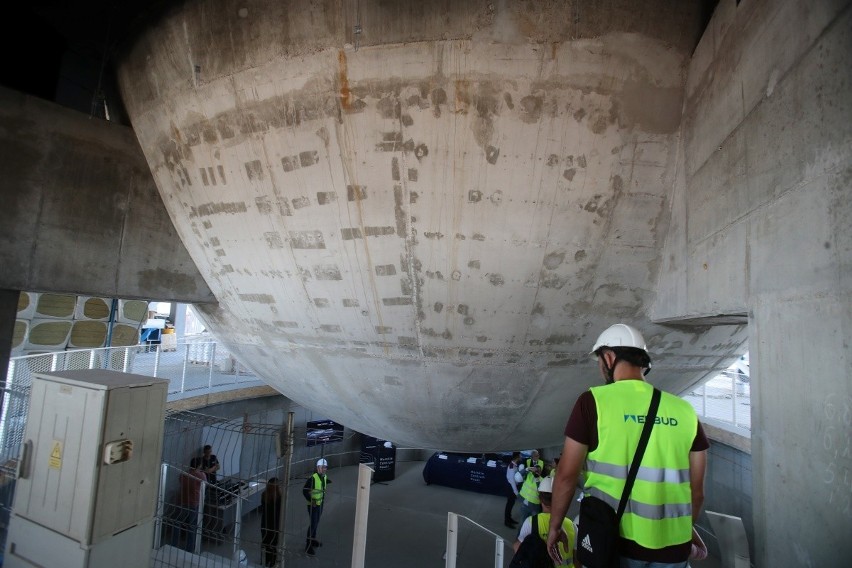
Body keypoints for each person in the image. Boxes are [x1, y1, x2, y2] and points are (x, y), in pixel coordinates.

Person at [546, 323, 709, 567]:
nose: (601, 369)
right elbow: (697, 493)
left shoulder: (593, 402)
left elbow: (567, 476)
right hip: (675, 550)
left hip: (616, 546)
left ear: (609, 357)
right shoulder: (685, 411)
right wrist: (683, 531)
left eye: (600, 362)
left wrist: (555, 527)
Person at [514, 476, 578, 567]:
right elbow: (577, 558)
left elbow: (518, 548)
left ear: (540, 499)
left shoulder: (531, 523)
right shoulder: (572, 525)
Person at [176, 457, 207, 553]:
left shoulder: (183, 474)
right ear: (198, 465)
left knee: (177, 523)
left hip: (183, 501)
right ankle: (190, 548)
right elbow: (205, 485)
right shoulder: (201, 475)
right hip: (194, 503)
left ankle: (173, 544)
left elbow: (181, 482)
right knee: (192, 526)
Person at [304, 458, 331, 556]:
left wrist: (327, 481)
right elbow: (304, 490)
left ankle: (313, 540)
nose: (324, 469)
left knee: (316, 523)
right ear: (317, 468)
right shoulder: (312, 478)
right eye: (322, 467)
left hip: (320, 503)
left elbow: (322, 484)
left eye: (325, 467)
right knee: (313, 524)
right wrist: (312, 501)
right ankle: (308, 546)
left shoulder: (323, 476)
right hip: (313, 505)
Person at [260, 477, 282, 567]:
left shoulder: (264, 495)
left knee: (267, 544)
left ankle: (267, 562)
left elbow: (263, 508)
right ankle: (273, 563)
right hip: (274, 525)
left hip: (265, 523)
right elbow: (280, 511)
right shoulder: (279, 497)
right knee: (273, 545)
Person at [518, 457, 543, 524]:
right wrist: (528, 469)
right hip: (524, 504)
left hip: (534, 507)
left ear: (540, 472)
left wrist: (537, 479)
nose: (536, 471)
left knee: (534, 524)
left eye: (538, 470)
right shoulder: (528, 475)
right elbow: (518, 476)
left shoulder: (542, 480)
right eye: (535, 470)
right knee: (522, 523)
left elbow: (540, 490)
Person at [504, 451, 523, 528]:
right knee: (509, 504)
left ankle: (509, 518)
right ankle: (507, 521)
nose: (521, 457)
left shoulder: (514, 465)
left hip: (513, 487)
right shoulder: (512, 467)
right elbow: (512, 481)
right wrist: (516, 492)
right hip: (511, 488)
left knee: (511, 504)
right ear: (517, 457)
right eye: (520, 456)